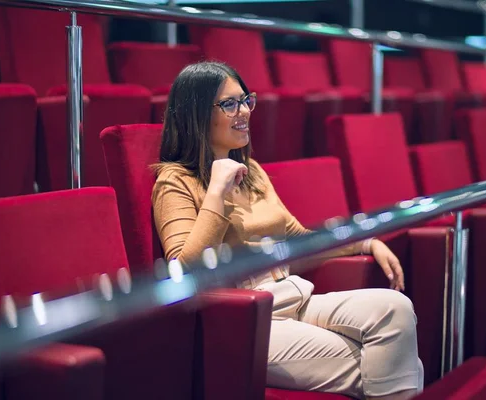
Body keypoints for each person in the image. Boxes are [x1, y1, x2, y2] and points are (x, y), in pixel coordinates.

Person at [152, 61, 423, 400]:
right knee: (399, 363)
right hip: (241, 323)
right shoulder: (174, 180)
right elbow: (183, 271)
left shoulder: (250, 170)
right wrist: (217, 194)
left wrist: (364, 243)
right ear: (194, 114)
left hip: (291, 297)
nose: (244, 112)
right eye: (229, 104)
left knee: (394, 308)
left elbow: (297, 240)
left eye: (246, 100)